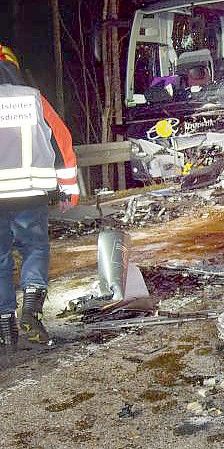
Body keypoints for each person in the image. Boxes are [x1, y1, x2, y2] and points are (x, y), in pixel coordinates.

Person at [0, 43, 79, 348]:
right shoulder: (33, 99)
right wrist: (68, 190)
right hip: (31, 192)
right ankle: (31, 308)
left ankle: (5, 324)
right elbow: (61, 140)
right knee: (34, 248)